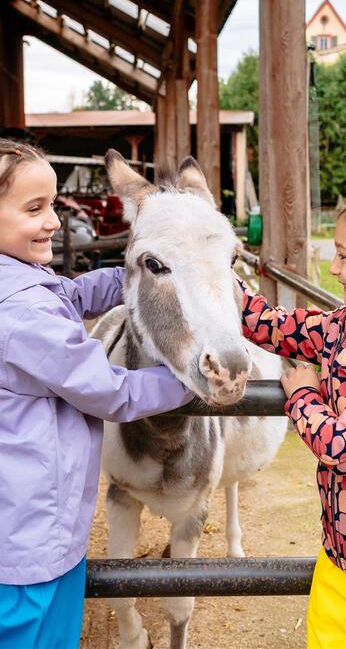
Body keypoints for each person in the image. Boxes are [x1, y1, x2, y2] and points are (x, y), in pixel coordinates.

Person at [0, 139, 194, 649]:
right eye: (34, 209)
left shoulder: (21, 281)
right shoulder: (21, 316)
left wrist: (141, 267)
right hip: (27, 538)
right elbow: (110, 391)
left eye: (53, 205)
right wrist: (188, 381)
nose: (54, 223)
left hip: (35, 522)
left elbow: (72, 293)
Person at [240, 182, 346, 649]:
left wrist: (303, 396)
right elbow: (272, 324)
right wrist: (211, 270)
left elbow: (345, 448)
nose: (334, 267)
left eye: (343, 256)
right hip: (341, 552)